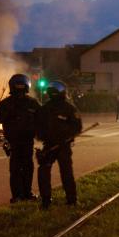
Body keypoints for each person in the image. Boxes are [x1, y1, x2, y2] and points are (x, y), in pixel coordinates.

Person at [0, 74, 40, 203]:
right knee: (20, 168)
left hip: (24, 141)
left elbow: (41, 118)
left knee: (22, 168)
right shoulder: (8, 103)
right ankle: (21, 195)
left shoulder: (32, 103)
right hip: (15, 141)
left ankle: (23, 194)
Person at [36, 80, 83, 208]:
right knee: (49, 171)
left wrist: (64, 138)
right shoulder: (49, 108)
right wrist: (46, 139)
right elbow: (77, 127)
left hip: (62, 146)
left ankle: (69, 200)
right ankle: (52, 200)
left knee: (64, 172)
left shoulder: (65, 108)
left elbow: (77, 127)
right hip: (51, 146)